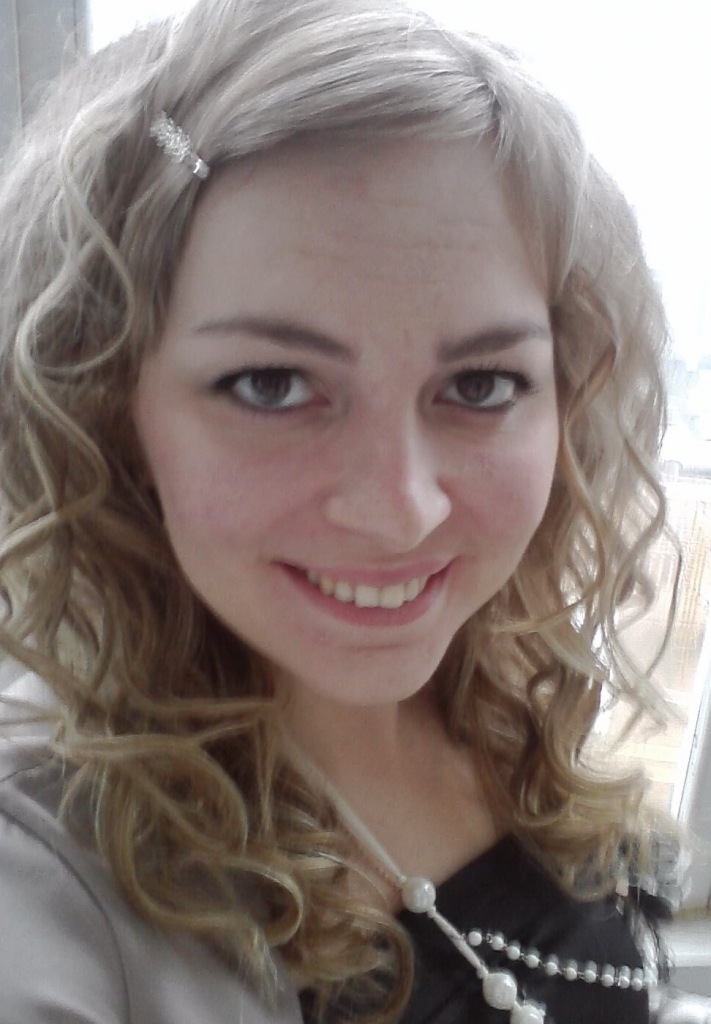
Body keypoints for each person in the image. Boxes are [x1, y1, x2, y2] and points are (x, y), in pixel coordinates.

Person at [0, 0, 707, 1021]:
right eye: (272, 386)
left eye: (479, 385)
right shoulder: (41, 871)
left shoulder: (505, 695)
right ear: (105, 406)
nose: (399, 512)